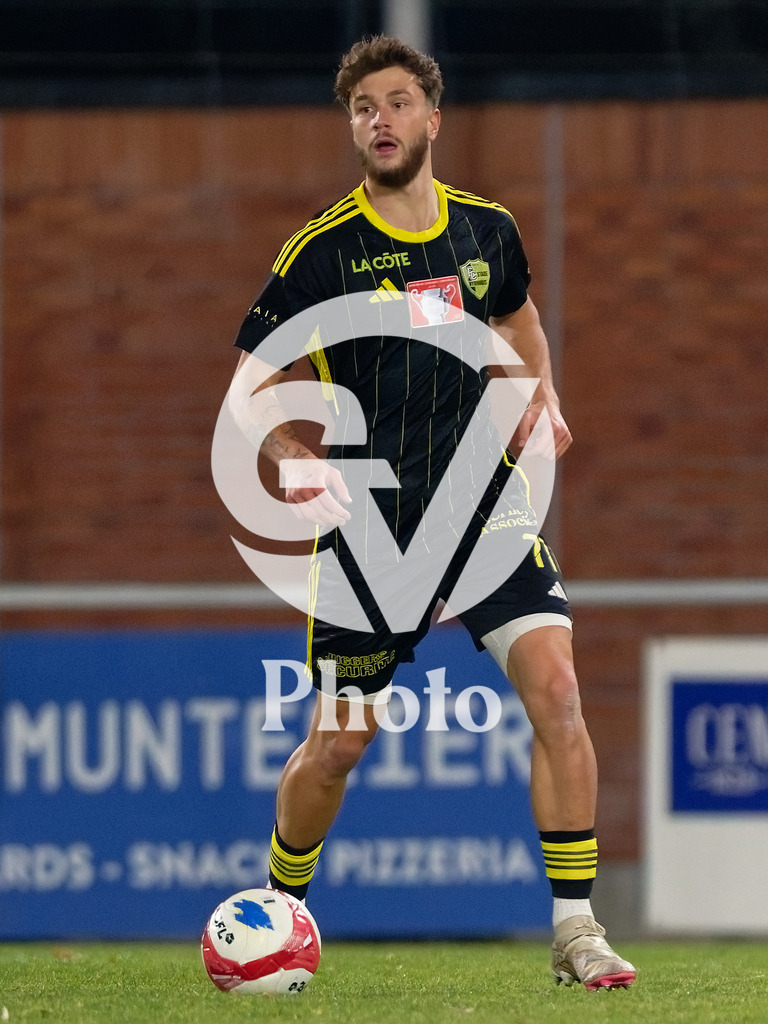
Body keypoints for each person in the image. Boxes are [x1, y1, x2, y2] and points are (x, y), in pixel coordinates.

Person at [228, 35, 636, 991]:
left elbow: (521, 319)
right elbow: (250, 387)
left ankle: (577, 932)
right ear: (353, 126)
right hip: (372, 526)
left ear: (432, 117)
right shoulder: (319, 253)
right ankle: (280, 907)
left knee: (562, 694)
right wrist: (287, 457)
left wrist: (542, 394)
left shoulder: (488, 232)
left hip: (482, 508)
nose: (381, 119)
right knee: (339, 743)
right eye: (364, 106)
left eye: (399, 101)